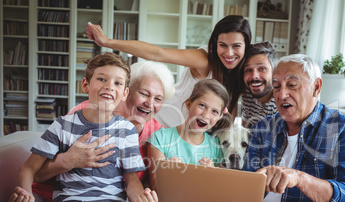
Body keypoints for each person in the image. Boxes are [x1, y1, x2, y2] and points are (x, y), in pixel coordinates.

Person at [0, 60, 175, 202]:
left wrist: (141, 197)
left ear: (124, 92)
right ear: (85, 85)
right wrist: (60, 165)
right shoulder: (66, 123)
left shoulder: (136, 131)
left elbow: (133, 180)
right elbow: (30, 169)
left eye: (118, 83)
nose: (110, 86)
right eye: (102, 79)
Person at [198, 54, 345, 202]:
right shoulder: (262, 127)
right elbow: (246, 183)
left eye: (292, 85)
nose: (282, 94)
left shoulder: (342, 128)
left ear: (316, 87)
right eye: (276, 87)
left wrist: (300, 179)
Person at [86, 15, 252, 127]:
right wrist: (108, 42)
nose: (229, 53)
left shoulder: (241, 75)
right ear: (215, 43)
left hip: (188, 137)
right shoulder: (204, 60)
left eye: (236, 46)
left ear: (246, 46)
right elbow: (158, 53)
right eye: (223, 45)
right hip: (159, 123)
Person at [147, 79, 230, 202]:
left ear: (218, 118)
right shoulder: (161, 138)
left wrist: (212, 175)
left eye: (214, 112)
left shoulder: (216, 147)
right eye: (202, 105)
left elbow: (221, 194)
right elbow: (156, 189)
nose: (206, 115)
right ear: (188, 104)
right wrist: (169, 173)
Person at [241, 41, 278, 128]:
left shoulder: (280, 99)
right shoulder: (247, 93)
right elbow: (246, 127)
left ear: (274, 71)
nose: (254, 76)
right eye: (248, 70)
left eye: (262, 68)